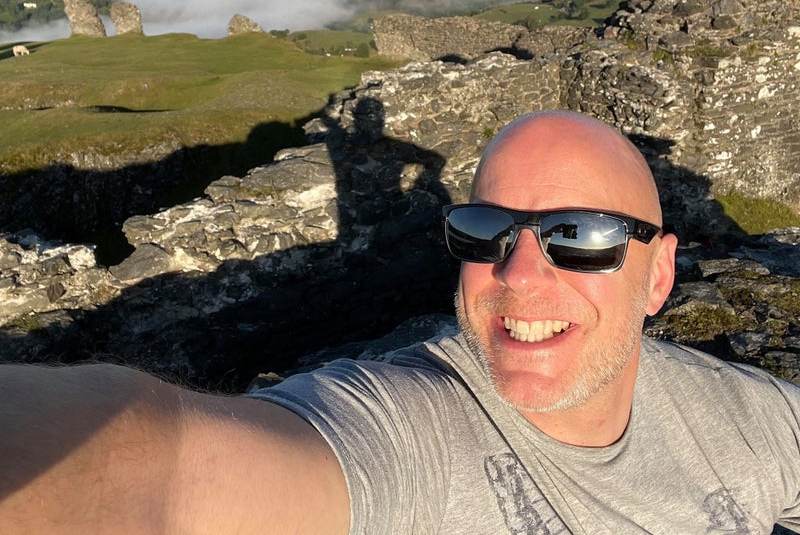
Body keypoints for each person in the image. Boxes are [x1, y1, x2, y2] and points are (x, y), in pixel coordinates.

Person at [0, 110, 798, 534]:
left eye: (581, 236)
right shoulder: (408, 434)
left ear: (659, 274)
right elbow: (163, 473)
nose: (519, 275)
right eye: (485, 231)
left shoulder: (747, 417)